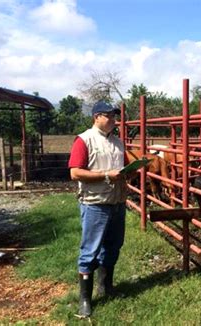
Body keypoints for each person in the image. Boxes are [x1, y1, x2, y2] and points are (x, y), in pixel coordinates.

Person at [68, 100, 129, 317]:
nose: (114, 119)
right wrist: (105, 175)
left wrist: (131, 170)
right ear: (96, 117)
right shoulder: (84, 140)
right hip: (95, 203)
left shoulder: (118, 143)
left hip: (117, 202)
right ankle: (85, 300)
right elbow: (75, 173)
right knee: (90, 250)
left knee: (113, 246)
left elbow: (124, 168)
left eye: (114, 116)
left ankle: (106, 287)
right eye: (109, 116)